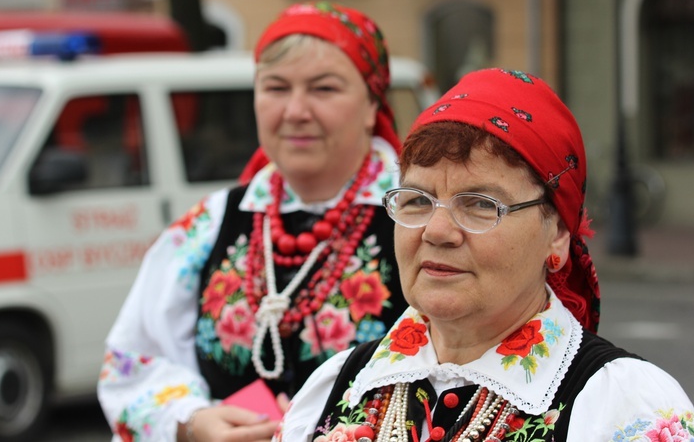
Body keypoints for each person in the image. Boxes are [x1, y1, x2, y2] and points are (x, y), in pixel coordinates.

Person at [275, 68, 694, 442]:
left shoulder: (623, 410)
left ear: (559, 232)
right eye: (417, 201)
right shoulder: (338, 384)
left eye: (479, 204)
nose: (437, 232)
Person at [98, 1, 410, 442]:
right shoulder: (211, 222)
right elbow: (133, 361)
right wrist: (192, 421)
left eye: (324, 89)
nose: (295, 111)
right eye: (276, 88)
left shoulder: (418, 218)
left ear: (371, 104)